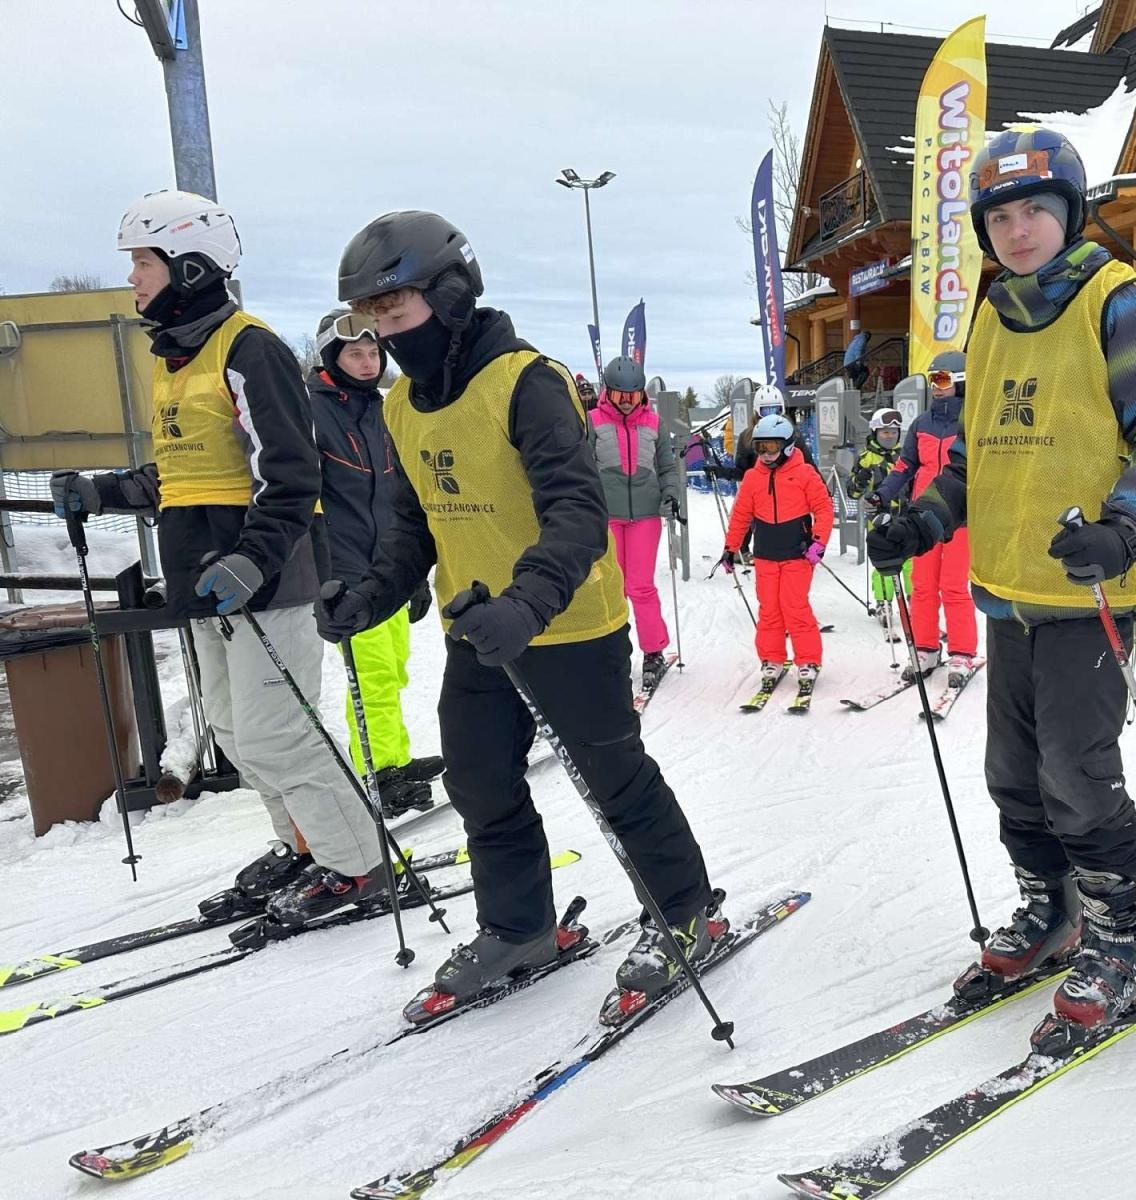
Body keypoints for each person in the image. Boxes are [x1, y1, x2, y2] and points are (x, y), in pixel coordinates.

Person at [319, 211, 721, 1008]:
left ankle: (686, 914)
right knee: (478, 781)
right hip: (478, 629)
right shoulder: (402, 406)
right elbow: (413, 526)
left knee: (614, 779)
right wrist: (370, 594)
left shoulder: (526, 382)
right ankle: (518, 925)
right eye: (372, 318)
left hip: (567, 623)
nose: (385, 333)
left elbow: (576, 513)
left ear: (452, 294)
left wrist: (526, 603)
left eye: (395, 312)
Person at [867, 127, 1136, 1038]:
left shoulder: (1114, 302)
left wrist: (1126, 525)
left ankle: (1124, 931)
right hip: (1009, 589)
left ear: (1069, 213)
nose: (1018, 230)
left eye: (1034, 211)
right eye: (1001, 216)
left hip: (1091, 586)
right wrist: (922, 519)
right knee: (1013, 772)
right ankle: (1054, 908)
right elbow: (977, 456)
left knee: (1077, 772)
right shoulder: (991, 313)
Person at [51, 190, 385, 924]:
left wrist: (253, 561)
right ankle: (303, 845)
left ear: (192, 265)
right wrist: (99, 490)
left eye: (143, 261)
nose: (133, 278)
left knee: (276, 732)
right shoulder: (172, 359)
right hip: (204, 581)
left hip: (266, 581)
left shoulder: (249, 347)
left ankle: (360, 865)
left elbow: (293, 475)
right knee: (236, 734)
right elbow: (181, 478)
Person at [307, 307, 442, 818]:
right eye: (354, 354)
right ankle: (380, 771)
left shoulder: (387, 410)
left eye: (372, 352)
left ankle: (396, 757)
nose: (367, 363)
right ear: (330, 357)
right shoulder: (311, 411)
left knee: (396, 669)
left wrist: (415, 575)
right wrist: (324, 573)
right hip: (347, 569)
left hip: (390, 566)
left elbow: (401, 496)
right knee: (373, 676)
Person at [870, 350, 979, 685]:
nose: (936, 387)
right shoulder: (922, 423)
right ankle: (926, 648)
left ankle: (962, 653)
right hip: (923, 516)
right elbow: (905, 466)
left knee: (953, 586)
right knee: (922, 585)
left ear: (960, 383)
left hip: (959, 518)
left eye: (943, 379)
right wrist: (883, 493)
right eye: (933, 379)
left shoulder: (973, 420)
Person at [590, 354, 684, 689]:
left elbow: (667, 468)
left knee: (640, 586)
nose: (627, 403)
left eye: (633, 395)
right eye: (620, 395)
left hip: (645, 514)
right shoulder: (592, 421)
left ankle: (654, 651)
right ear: (608, 392)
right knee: (611, 587)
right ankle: (610, 651)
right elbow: (582, 468)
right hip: (607, 516)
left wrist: (671, 495)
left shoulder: (654, 424)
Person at [719, 412, 832, 692]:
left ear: (788, 446)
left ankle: (808, 660)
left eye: (771, 447)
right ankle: (772, 658)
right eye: (759, 448)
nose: (765, 455)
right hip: (766, 554)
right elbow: (741, 516)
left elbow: (824, 508)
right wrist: (730, 548)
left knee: (794, 606)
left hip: (798, 553)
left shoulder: (804, 473)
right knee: (769, 608)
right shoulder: (753, 478)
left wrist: (819, 542)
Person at [846, 407, 911, 620]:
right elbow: (853, 492)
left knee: (912, 563)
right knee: (885, 563)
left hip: (907, 516)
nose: (890, 436)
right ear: (875, 433)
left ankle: (916, 602)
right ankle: (884, 603)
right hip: (880, 520)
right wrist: (860, 480)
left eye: (893, 432)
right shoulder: (867, 459)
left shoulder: (906, 455)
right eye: (885, 432)